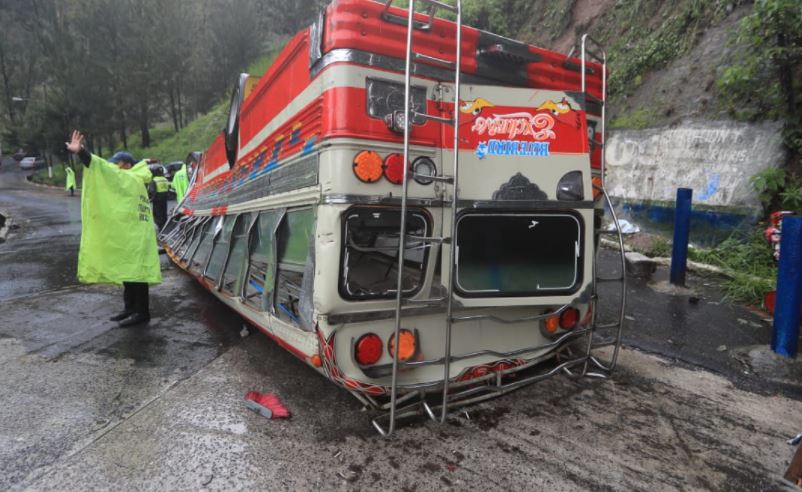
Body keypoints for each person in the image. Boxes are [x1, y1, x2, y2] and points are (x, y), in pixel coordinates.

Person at [65, 130, 161, 327]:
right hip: (130, 234)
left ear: (126, 165)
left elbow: (103, 170)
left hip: (137, 236)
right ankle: (130, 308)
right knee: (128, 272)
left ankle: (142, 312)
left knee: (138, 274)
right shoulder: (131, 178)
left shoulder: (132, 179)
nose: (113, 167)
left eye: (116, 163)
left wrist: (82, 152)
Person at [148, 166, 169, 231]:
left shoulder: (154, 180)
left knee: (157, 213)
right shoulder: (164, 179)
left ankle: (160, 227)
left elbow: (152, 191)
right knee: (164, 211)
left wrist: (151, 199)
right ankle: (165, 225)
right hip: (164, 197)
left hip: (157, 198)